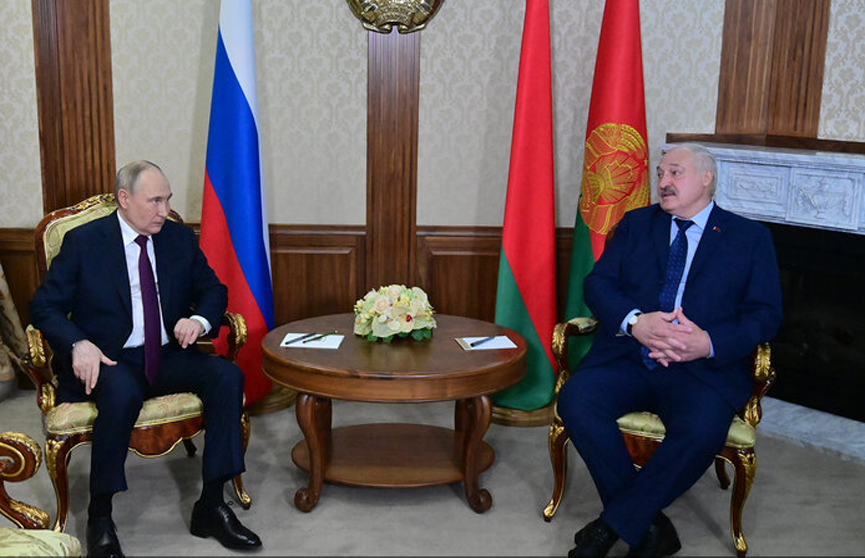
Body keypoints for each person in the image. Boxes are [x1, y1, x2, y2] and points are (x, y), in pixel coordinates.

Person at [557, 143, 783, 557]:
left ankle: (611, 526)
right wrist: (636, 322)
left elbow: (766, 315)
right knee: (577, 399)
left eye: (675, 172)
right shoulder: (636, 224)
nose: (663, 182)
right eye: (660, 173)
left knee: (701, 429)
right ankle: (648, 527)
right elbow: (598, 284)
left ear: (706, 178)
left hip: (700, 370)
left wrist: (707, 342)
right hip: (629, 357)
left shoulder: (749, 238)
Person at [29, 161, 262, 557]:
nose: (163, 210)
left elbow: (213, 290)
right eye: (154, 201)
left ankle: (211, 504)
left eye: (167, 199)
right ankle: (101, 516)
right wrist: (78, 344)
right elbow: (44, 306)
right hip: (110, 360)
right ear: (124, 198)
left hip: (166, 355)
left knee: (226, 377)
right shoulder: (85, 242)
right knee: (121, 392)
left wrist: (199, 320)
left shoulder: (177, 238)